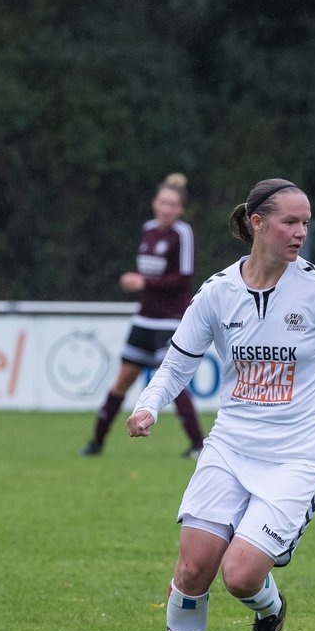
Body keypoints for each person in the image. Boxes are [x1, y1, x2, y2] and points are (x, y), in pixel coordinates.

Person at [127, 178, 315, 631]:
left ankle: (270, 612)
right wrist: (149, 404)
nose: (301, 233)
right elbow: (178, 361)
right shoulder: (217, 293)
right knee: (193, 566)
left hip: (298, 457)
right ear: (257, 224)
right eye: (290, 222)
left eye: (305, 222)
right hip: (230, 447)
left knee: (240, 575)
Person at [81, 173, 205, 458]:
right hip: (144, 318)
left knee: (172, 380)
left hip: (171, 320)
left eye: (173, 204)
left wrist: (144, 282)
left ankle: (198, 446)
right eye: (163, 202)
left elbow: (184, 279)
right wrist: (138, 282)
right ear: (154, 204)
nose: (167, 208)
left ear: (181, 209)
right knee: (123, 380)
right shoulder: (148, 229)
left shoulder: (182, 234)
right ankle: (96, 442)